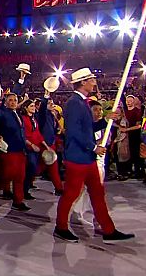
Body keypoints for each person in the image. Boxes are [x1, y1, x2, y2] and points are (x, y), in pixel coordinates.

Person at [53, 68, 134, 244]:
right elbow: (74, 132)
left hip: (87, 158)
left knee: (98, 193)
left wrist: (106, 120)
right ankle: (61, 227)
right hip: (78, 158)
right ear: (82, 82)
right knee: (71, 194)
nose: (94, 81)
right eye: (91, 79)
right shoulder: (74, 103)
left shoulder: (82, 102)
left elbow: (87, 128)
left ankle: (108, 229)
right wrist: (92, 147)